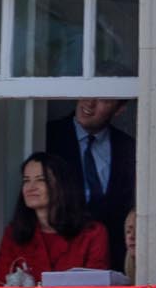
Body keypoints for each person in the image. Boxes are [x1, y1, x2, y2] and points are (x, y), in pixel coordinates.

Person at [0, 151, 109, 286]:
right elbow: (0, 287)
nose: (30, 187)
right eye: (26, 180)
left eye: (40, 180)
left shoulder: (93, 233)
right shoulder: (13, 234)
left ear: (61, 185)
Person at [47, 98, 136, 273]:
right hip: (60, 260)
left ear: (120, 109)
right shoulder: (47, 135)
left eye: (103, 100)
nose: (89, 103)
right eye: (87, 93)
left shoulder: (128, 147)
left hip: (114, 262)